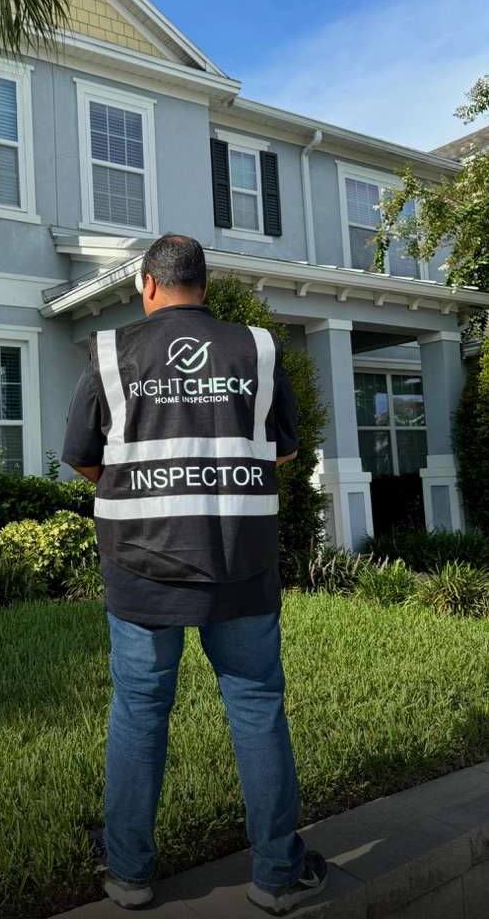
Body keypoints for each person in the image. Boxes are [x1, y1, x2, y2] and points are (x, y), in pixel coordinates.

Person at [61, 233, 327, 915]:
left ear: (147, 286)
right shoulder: (259, 350)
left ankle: (128, 874)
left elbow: (85, 459)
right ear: (203, 285)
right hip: (241, 565)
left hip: (142, 568)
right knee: (257, 707)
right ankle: (276, 876)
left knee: (140, 712)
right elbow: (284, 455)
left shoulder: (110, 352)